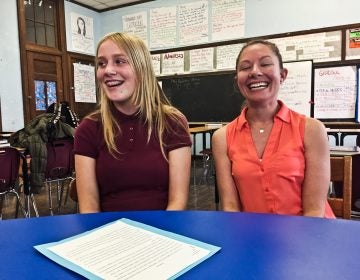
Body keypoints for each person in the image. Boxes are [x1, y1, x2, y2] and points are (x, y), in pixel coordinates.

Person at [212, 40, 335, 218]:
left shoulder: (312, 130)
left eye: (265, 64)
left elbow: (314, 212)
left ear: (283, 75)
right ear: (237, 80)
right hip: (254, 235)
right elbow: (230, 208)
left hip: (308, 234)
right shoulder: (222, 138)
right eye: (245, 67)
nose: (254, 71)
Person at [74, 32, 192, 213]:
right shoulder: (88, 128)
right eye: (101, 64)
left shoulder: (172, 122)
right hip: (108, 233)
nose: (108, 71)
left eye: (119, 61)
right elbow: (89, 208)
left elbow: (177, 202)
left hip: (162, 231)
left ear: (141, 68)